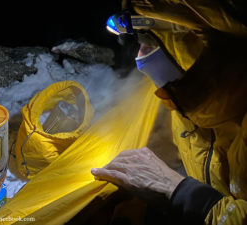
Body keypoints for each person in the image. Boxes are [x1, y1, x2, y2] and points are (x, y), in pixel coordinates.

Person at [91, 0, 247, 224]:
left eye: (152, 39)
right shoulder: (192, 96)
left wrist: (179, 191)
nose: (141, 56)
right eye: (139, 39)